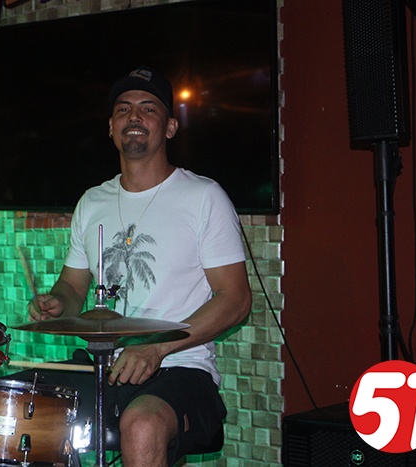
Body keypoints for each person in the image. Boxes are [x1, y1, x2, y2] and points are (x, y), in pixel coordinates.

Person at [27, 65, 251, 466]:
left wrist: (157, 348)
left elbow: (235, 299)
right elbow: (73, 288)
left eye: (148, 108)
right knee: (13, 402)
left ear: (170, 127)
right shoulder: (92, 202)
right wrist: (57, 303)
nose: (134, 116)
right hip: (103, 364)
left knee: (142, 424)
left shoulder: (204, 197)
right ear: (111, 128)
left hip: (179, 366)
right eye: (123, 109)